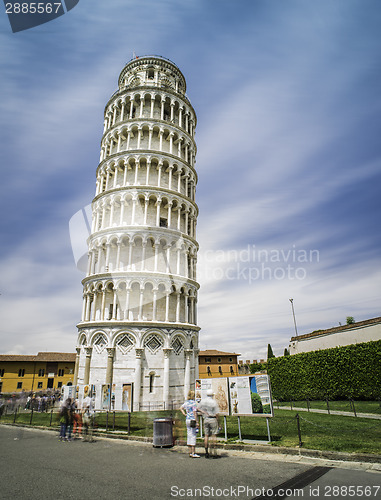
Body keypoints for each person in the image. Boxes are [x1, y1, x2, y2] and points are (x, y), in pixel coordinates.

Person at [198, 389, 220, 458]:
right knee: (214, 435)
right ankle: (214, 452)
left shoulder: (203, 401)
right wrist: (219, 422)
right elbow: (217, 413)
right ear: (212, 395)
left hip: (206, 419)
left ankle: (206, 452)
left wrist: (204, 412)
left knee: (206, 436)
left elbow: (198, 408)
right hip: (212, 419)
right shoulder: (214, 402)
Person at [180, 390, 200, 458]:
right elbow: (195, 412)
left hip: (187, 420)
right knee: (193, 435)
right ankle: (193, 452)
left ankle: (190, 452)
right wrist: (197, 422)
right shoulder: (193, 403)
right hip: (192, 420)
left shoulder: (186, 402)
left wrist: (184, 414)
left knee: (189, 435)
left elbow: (181, 408)